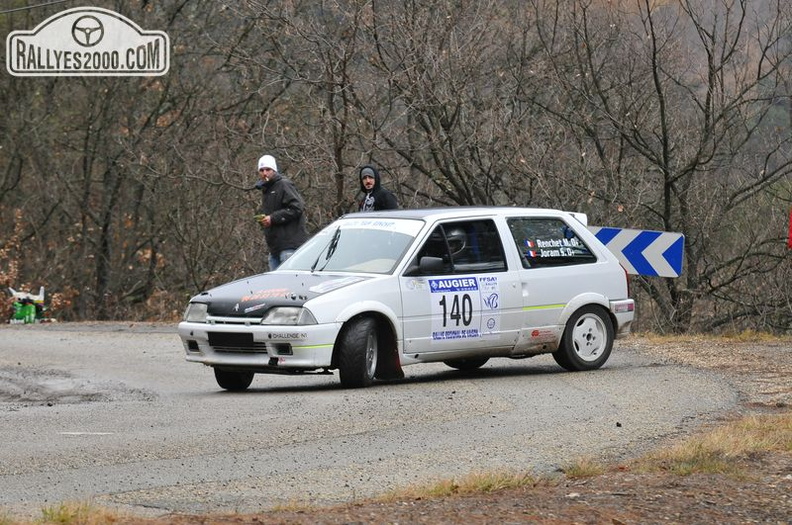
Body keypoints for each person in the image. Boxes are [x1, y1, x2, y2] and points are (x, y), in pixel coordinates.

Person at [255, 154, 309, 271]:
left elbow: (297, 208)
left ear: (274, 170)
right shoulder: (266, 190)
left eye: (268, 169)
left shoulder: (284, 184)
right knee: (276, 287)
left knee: (289, 285)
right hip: (275, 248)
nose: (265, 173)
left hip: (289, 246)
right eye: (261, 170)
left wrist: (273, 218)